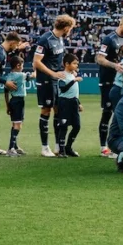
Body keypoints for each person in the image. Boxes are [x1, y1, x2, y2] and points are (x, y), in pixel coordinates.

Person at [32, 14, 76, 157]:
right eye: (71, 28)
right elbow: (36, 62)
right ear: (66, 27)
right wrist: (53, 73)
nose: (70, 31)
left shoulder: (60, 39)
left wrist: (69, 70)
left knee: (59, 110)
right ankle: (45, 147)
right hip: (46, 80)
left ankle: (58, 146)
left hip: (57, 80)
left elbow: (57, 59)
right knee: (46, 110)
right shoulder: (45, 39)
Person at [95, 15, 123, 154]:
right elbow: (99, 59)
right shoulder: (109, 39)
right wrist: (115, 66)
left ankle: (117, 144)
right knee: (107, 112)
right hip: (107, 80)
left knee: (119, 113)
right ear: (121, 24)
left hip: (119, 83)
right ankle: (103, 147)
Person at [52, 53, 84, 157]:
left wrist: (79, 103)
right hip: (64, 103)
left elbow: (74, 92)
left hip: (74, 102)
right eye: (74, 63)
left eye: (77, 64)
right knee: (63, 126)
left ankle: (68, 147)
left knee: (77, 126)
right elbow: (63, 89)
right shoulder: (62, 75)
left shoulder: (72, 74)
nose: (76, 65)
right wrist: (74, 80)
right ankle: (61, 151)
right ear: (66, 64)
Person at [3, 54, 29, 156]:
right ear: (18, 65)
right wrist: (37, 68)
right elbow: (32, 76)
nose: (23, 67)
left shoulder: (9, 76)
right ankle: (11, 148)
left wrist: (7, 105)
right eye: (22, 65)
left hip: (12, 101)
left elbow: (5, 91)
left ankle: (15, 146)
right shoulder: (20, 75)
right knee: (18, 125)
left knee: (14, 124)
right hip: (19, 101)